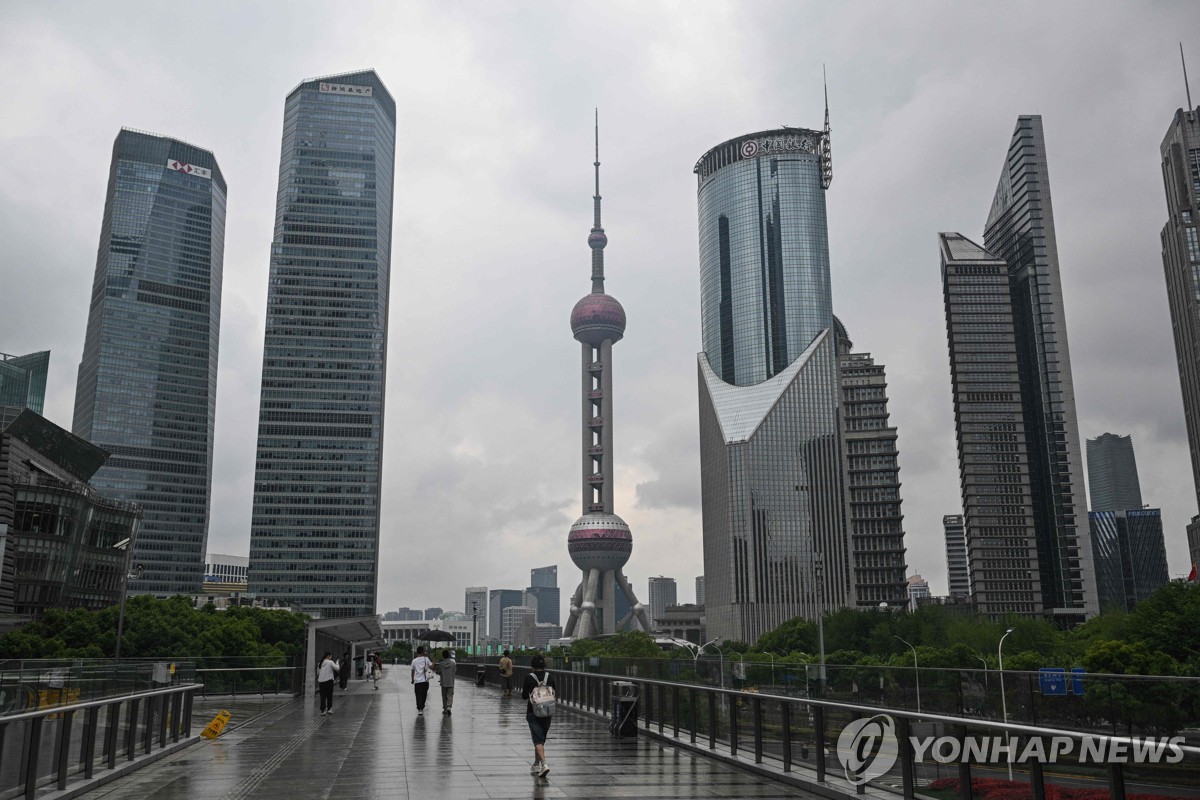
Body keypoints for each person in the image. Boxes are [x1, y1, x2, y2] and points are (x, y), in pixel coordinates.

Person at [522, 654, 555, 777]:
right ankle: (536, 764)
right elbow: (555, 693)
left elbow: (524, 696)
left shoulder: (529, 678)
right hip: (548, 712)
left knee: (537, 739)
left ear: (532, 666)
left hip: (533, 712)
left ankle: (544, 763)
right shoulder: (549, 677)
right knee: (541, 739)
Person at [410, 646, 435, 715]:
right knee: (424, 695)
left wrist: (412, 679)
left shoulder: (414, 661)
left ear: (417, 652)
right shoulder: (426, 659)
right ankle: (422, 707)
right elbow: (432, 667)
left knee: (418, 695)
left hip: (418, 682)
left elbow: (412, 671)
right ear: (423, 652)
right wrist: (433, 661)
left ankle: (419, 709)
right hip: (425, 681)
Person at [317, 651, 339, 716]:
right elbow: (337, 668)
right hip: (329, 681)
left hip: (321, 682)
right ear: (328, 656)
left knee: (323, 696)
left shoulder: (319, 663)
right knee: (329, 695)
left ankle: (322, 711)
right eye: (331, 656)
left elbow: (318, 673)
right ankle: (329, 709)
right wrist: (337, 663)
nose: (331, 657)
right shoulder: (330, 662)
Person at [435, 649, 456, 714]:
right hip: (451, 682)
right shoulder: (453, 663)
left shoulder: (441, 664)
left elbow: (438, 672)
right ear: (449, 655)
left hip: (443, 682)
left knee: (444, 696)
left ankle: (445, 709)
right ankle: (449, 707)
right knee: (450, 695)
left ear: (443, 656)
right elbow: (454, 671)